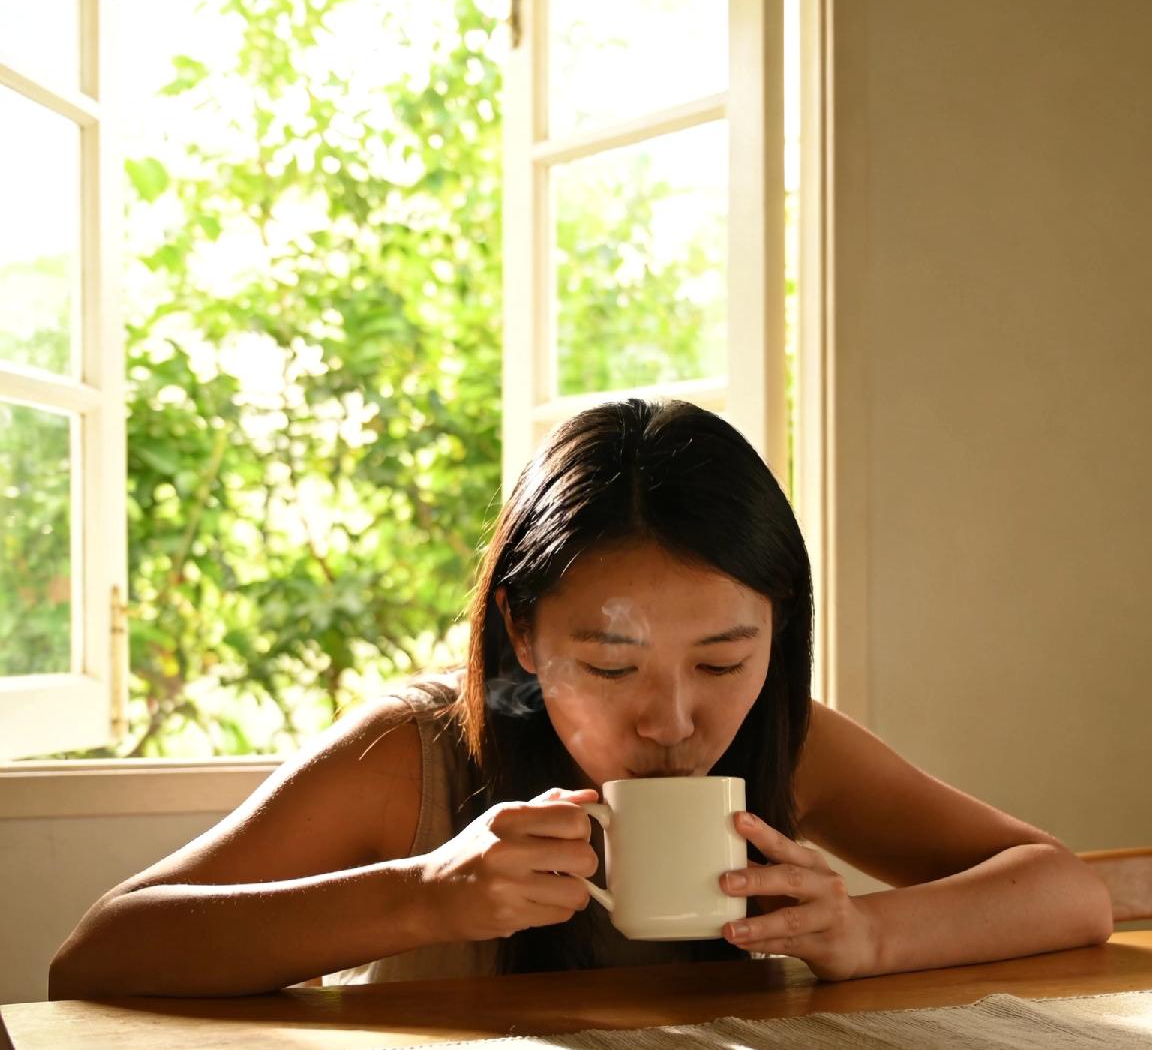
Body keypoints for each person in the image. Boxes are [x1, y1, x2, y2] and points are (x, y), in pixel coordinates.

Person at [49, 398, 1112, 999]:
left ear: (779, 633)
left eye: (724, 660)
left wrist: (866, 935)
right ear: (520, 629)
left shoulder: (790, 747)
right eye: (611, 668)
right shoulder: (417, 754)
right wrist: (424, 895)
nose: (674, 721)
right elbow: (101, 954)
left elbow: (1064, 890)